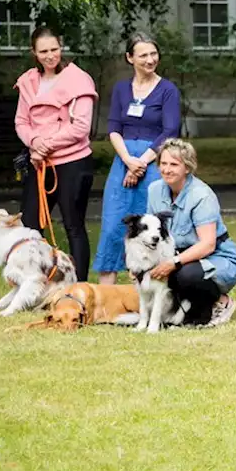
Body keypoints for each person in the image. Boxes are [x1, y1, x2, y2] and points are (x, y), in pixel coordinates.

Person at [95, 32, 182, 284]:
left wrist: (140, 163)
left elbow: (169, 132)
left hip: (153, 163)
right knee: (113, 227)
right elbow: (113, 128)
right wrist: (127, 161)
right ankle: (106, 296)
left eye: (153, 53)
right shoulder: (122, 89)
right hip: (123, 163)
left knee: (149, 228)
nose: (150, 59)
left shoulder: (168, 90)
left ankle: (143, 292)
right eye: (143, 55)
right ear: (129, 58)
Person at [14, 26, 98, 281]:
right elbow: (21, 121)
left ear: (61, 48)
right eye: (44, 51)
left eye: (54, 49)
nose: (50, 56)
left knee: (73, 225)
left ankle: (80, 284)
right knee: (30, 224)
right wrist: (34, 142)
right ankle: (35, 280)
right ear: (34, 53)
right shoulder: (28, 80)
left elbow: (81, 127)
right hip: (38, 163)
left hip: (72, 162)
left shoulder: (79, 80)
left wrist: (44, 145)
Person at [145, 139, 236, 327]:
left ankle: (222, 302)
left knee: (185, 274)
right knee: (156, 272)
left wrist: (172, 263)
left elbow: (208, 244)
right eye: (163, 163)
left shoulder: (201, 195)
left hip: (216, 257)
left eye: (174, 164)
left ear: (188, 168)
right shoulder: (154, 190)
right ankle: (189, 310)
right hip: (178, 255)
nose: (167, 169)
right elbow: (152, 231)